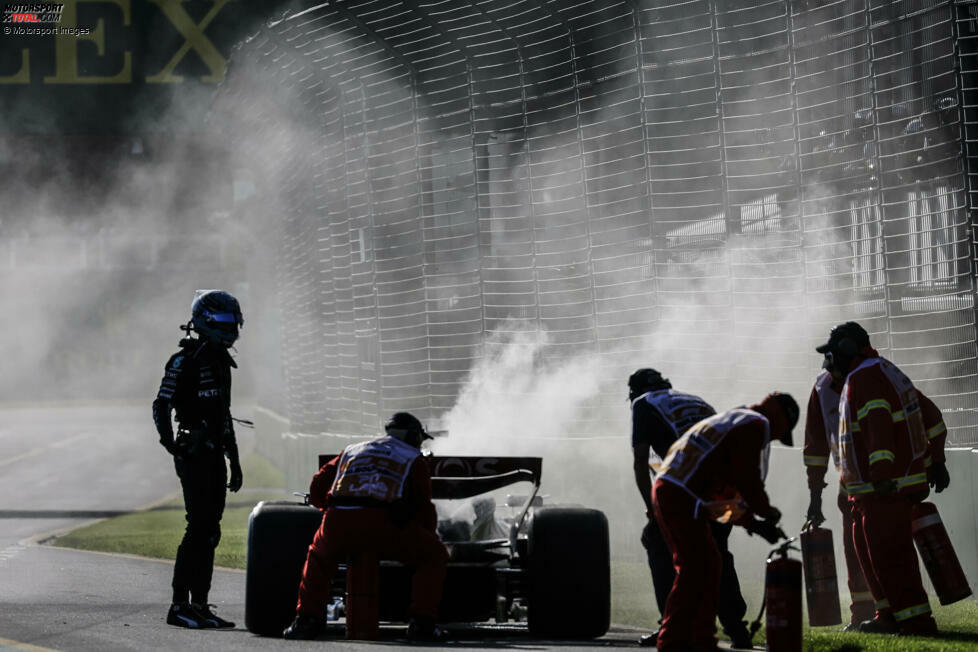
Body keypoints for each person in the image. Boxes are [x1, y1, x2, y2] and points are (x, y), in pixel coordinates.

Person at [818, 321, 949, 635]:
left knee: (892, 557)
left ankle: (917, 621)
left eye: (832, 354)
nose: (828, 362)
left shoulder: (864, 378)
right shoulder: (887, 371)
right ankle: (888, 616)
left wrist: (881, 475)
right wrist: (937, 461)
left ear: (847, 350)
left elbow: (877, 424)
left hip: (884, 489)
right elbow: (932, 416)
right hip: (878, 490)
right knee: (876, 555)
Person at [283, 412, 449, 641]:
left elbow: (317, 486)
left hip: (338, 521)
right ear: (413, 436)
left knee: (318, 557)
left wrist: (327, 510)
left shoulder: (352, 450)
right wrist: (426, 536)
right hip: (383, 523)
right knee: (435, 554)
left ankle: (305, 620)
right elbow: (423, 508)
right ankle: (422, 623)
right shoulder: (413, 458)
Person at [652, 392, 798, 652]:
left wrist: (753, 523)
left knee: (708, 563)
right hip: (679, 493)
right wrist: (765, 510)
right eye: (780, 434)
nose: (774, 440)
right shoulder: (753, 425)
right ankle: (674, 641)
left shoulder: (735, 420)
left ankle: (700, 639)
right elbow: (746, 478)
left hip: (674, 489)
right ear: (781, 420)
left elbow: (723, 494)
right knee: (695, 567)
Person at [628, 369, 753, 648]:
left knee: (659, 543)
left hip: (694, 481)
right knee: (717, 551)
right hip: (728, 479)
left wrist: (653, 510)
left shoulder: (643, 403)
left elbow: (640, 461)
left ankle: (669, 625)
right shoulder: (693, 400)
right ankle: (737, 629)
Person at [152, 289, 245, 629]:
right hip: (192, 452)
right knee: (198, 528)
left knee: (210, 532)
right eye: (222, 321)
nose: (230, 327)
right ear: (204, 321)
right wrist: (171, 444)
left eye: (233, 320)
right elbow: (160, 404)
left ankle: (200, 605)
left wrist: (234, 462)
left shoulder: (222, 362)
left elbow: (225, 415)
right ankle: (179, 606)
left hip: (214, 456)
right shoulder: (184, 360)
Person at [803, 365, 875, 629]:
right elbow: (816, 446)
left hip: (885, 483)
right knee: (856, 554)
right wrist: (815, 497)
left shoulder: (876, 377)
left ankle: (895, 615)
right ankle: (863, 616)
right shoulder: (823, 389)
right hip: (852, 487)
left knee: (884, 553)